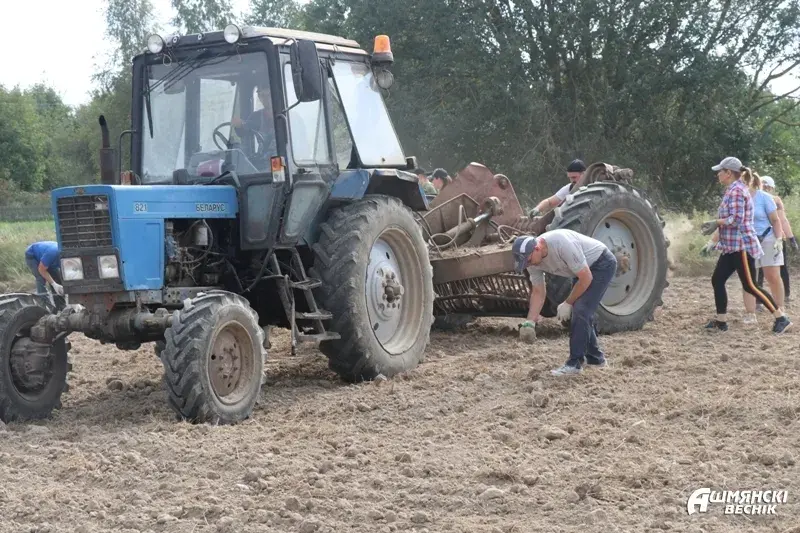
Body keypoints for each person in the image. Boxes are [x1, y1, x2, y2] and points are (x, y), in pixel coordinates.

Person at [700, 157, 791, 333]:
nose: (718, 174)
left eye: (720, 171)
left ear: (728, 173)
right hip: (731, 246)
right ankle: (721, 321)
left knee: (750, 285)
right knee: (717, 279)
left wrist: (716, 222)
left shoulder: (736, 191)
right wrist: (715, 235)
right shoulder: (732, 189)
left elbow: (736, 219)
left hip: (740, 246)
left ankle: (781, 318)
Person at [512, 229, 617, 376]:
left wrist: (568, 302)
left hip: (600, 264)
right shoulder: (532, 262)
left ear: (537, 248)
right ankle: (595, 359)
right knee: (582, 311)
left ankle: (574, 363)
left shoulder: (561, 243)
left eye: (528, 260)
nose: (528, 264)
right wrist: (530, 321)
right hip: (579, 270)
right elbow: (538, 291)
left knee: (580, 309)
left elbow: (586, 278)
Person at [760, 175, 797, 303]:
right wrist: (791, 238)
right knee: (781, 267)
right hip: (777, 237)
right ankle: (785, 295)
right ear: (770, 187)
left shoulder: (751, 198)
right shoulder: (775, 200)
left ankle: (758, 300)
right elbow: (782, 220)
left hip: (758, 238)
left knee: (758, 268)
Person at [232, 82, 277, 155]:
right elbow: (244, 131)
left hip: (282, 158)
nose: (266, 99)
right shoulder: (256, 116)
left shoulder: (291, 118)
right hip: (264, 158)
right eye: (263, 95)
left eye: (269, 95)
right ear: (259, 97)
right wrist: (239, 125)